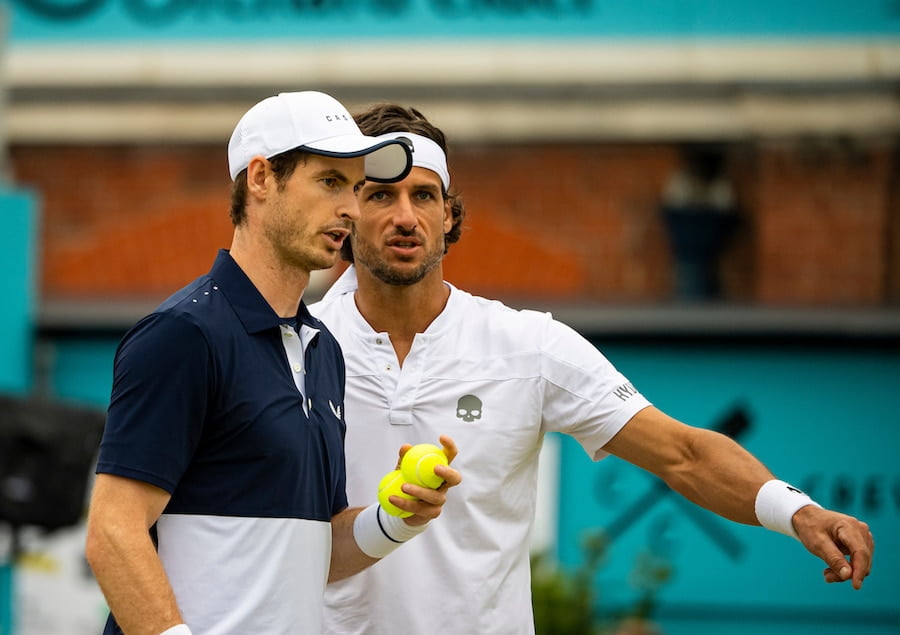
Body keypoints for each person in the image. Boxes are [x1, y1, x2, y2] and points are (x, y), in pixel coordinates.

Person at [310, 103, 875, 635]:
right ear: (347, 214)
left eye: (424, 196)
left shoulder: (529, 345)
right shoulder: (292, 347)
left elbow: (684, 454)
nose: (406, 216)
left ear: (449, 214)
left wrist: (797, 510)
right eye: (381, 196)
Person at [84, 91, 462, 635]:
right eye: (331, 182)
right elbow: (113, 535)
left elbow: (315, 551)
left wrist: (396, 518)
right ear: (261, 179)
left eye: (356, 188)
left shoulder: (323, 348)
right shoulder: (182, 335)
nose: (352, 209)